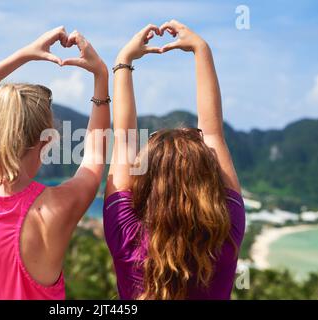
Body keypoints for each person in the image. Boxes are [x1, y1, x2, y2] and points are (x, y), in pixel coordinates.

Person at [0, 26, 110, 299]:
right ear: (45, 141)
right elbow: (95, 158)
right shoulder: (58, 208)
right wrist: (101, 75)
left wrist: (24, 55)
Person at [103, 20, 246, 300]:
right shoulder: (225, 234)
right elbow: (214, 134)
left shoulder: (126, 234)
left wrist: (123, 61)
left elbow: (124, 141)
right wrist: (201, 49)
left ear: (147, 181)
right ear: (207, 176)